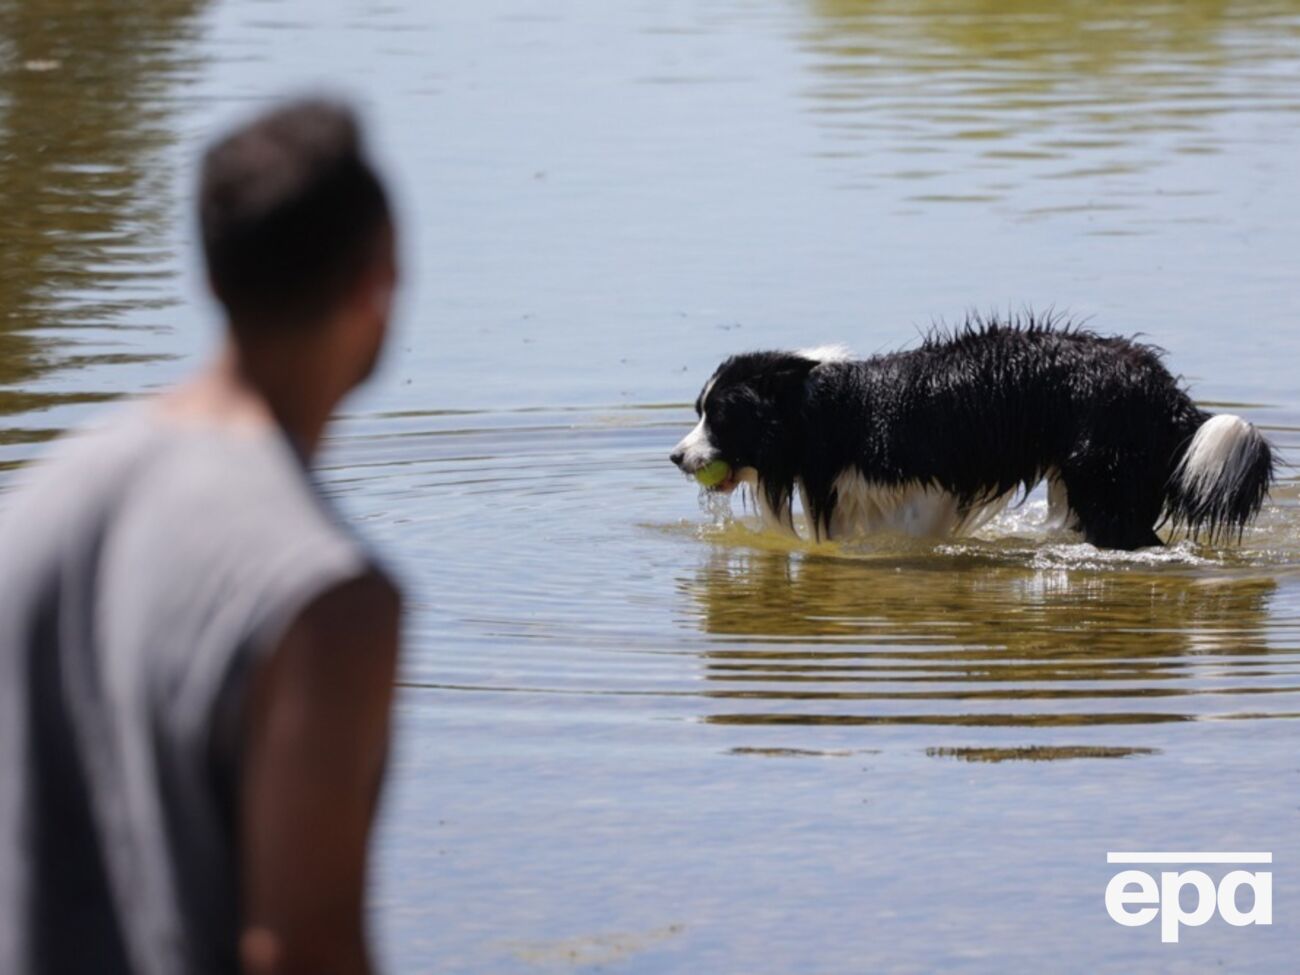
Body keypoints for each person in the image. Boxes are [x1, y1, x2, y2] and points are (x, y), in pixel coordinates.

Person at [0, 98, 402, 974]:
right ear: (378, 288)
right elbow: (306, 948)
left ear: (212, 278)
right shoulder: (328, 593)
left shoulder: (37, 501)